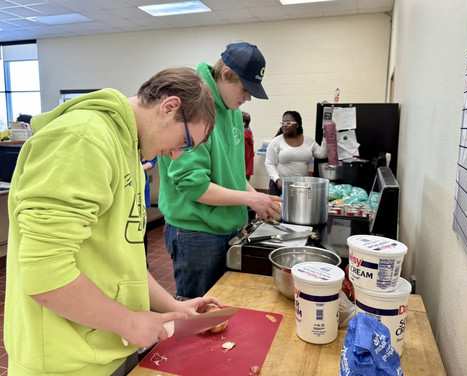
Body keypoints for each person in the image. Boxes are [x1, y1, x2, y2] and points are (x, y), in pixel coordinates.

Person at [4, 67, 223, 376]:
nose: (177, 155)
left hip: (105, 347)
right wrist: (130, 322)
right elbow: (44, 274)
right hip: (64, 361)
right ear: (169, 107)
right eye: (185, 142)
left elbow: (125, 260)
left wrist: (174, 306)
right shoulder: (83, 139)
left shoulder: (129, 149)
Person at [158, 42, 282, 299]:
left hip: (226, 226)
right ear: (225, 74)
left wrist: (258, 200)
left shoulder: (233, 111)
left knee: (223, 303)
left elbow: (234, 172)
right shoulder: (193, 106)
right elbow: (195, 187)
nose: (248, 97)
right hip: (196, 232)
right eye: (245, 89)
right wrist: (251, 199)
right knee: (198, 309)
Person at [265, 110, 327, 196]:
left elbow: (321, 154)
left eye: (288, 123)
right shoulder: (276, 142)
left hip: (301, 185)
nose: (284, 125)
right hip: (280, 185)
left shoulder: (308, 141)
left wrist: (326, 138)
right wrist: (277, 179)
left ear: (297, 125)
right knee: (279, 209)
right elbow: (269, 163)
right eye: (283, 123)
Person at [142, 156, 157, 267]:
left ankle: (143, 263)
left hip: (140, 184)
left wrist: (139, 168)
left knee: (141, 228)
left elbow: (152, 160)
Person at [242, 111, 254, 181]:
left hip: (241, 168)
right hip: (246, 169)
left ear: (244, 123)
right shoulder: (249, 135)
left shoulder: (242, 136)